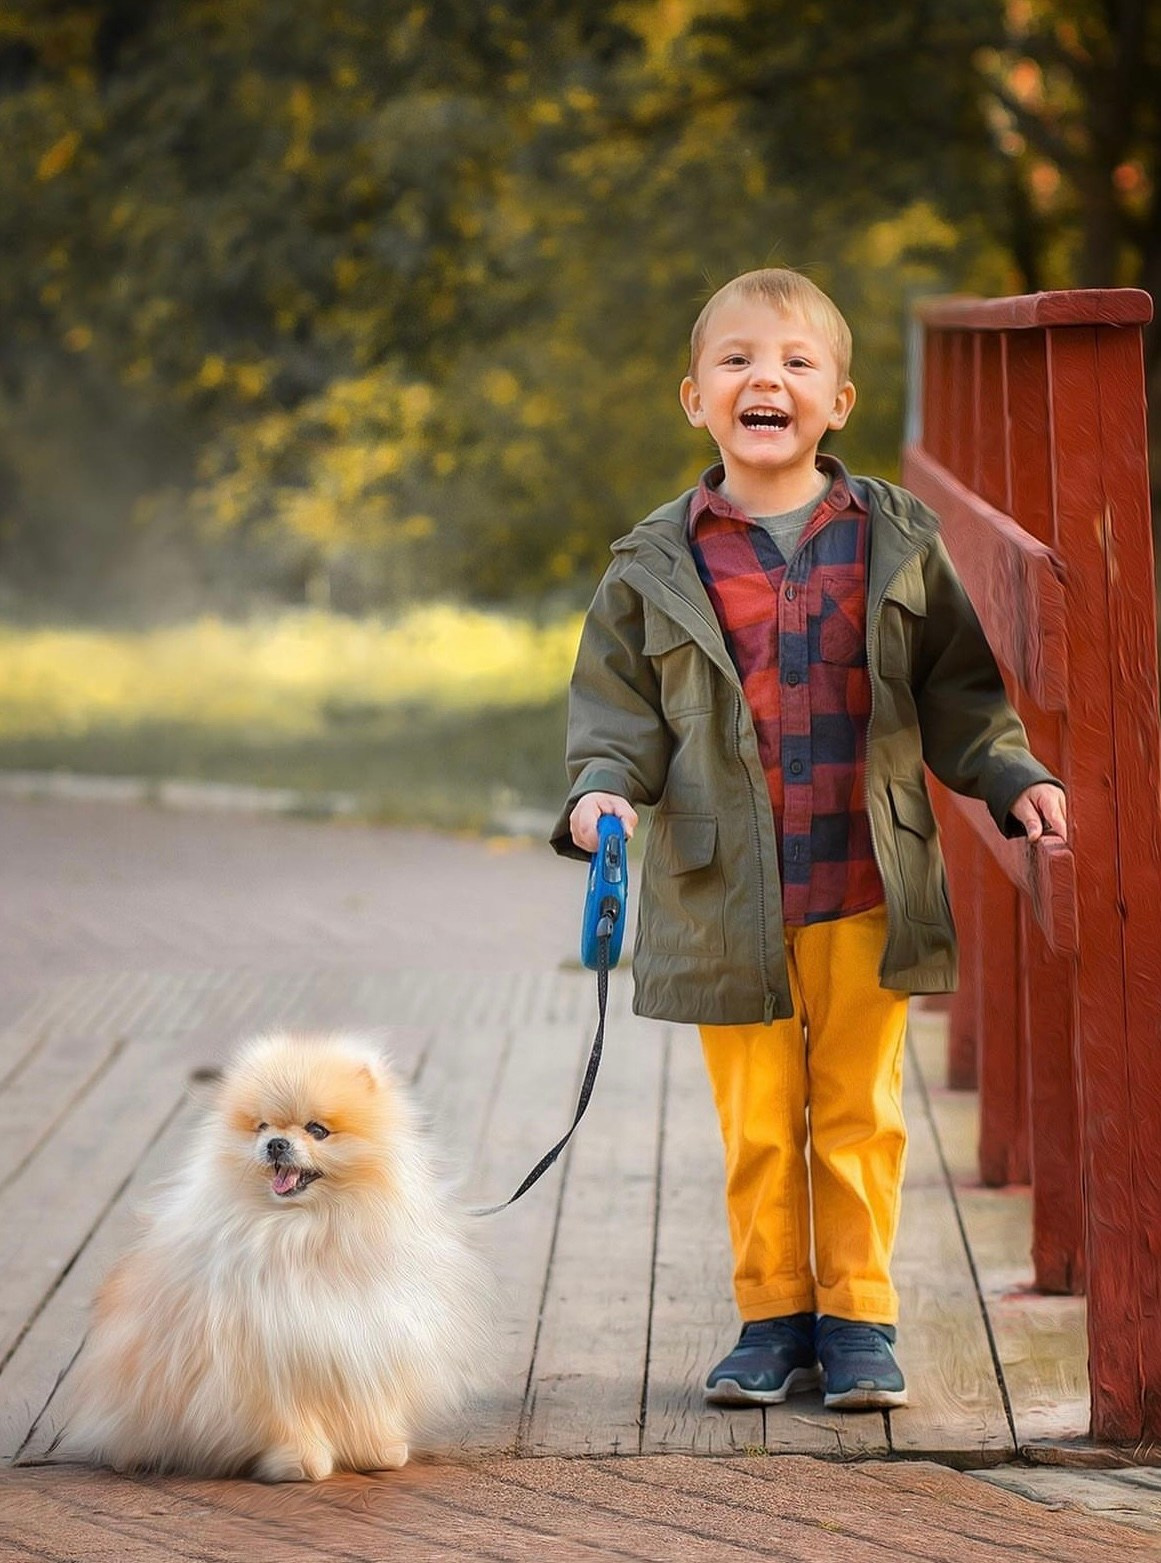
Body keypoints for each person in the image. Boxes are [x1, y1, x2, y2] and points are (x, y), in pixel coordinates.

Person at [549, 267, 1066, 1412]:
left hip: (861, 881)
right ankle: (771, 1316)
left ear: (838, 400)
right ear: (695, 398)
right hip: (723, 895)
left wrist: (1012, 772)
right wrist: (600, 793)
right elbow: (616, 711)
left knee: (858, 1112)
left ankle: (861, 1320)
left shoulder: (895, 538)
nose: (762, 379)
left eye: (792, 363)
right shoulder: (651, 564)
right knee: (757, 1125)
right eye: (735, 361)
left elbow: (960, 691)